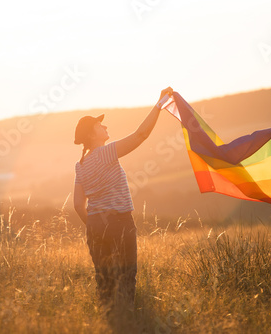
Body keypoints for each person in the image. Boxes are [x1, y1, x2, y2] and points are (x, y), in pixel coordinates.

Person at [73, 87, 174, 317]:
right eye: (100, 126)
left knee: (105, 282)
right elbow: (141, 135)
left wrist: (96, 223)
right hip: (119, 223)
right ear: (91, 135)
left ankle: (110, 321)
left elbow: (78, 205)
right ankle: (128, 321)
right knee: (127, 278)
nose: (106, 127)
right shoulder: (106, 153)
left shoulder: (80, 166)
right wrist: (159, 105)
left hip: (95, 226)